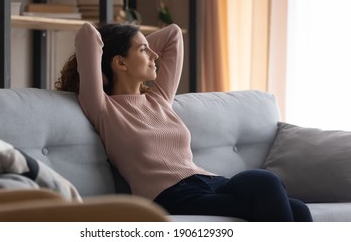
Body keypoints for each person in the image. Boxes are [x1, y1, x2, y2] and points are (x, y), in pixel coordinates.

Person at [55, 22, 313, 222]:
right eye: (144, 51)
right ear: (120, 62)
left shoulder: (158, 99)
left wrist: (138, 44)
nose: (154, 55)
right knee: (268, 186)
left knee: (297, 208)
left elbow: (173, 35)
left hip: (209, 182)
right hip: (171, 196)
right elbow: (88, 35)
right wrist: (122, 40)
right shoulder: (102, 107)